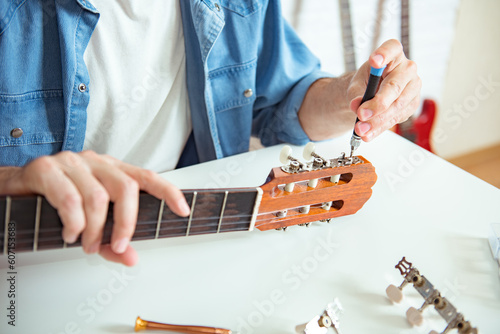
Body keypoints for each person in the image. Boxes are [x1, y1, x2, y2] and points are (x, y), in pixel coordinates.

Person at [0, 0, 421, 266]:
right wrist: (13, 179)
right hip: (30, 262)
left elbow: (282, 101)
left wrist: (349, 94)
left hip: (182, 239)